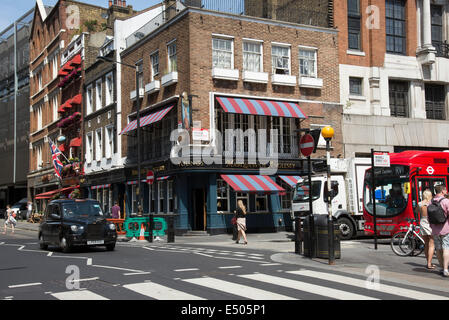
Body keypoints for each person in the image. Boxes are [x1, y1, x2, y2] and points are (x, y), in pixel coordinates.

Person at [429, 184, 449, 277]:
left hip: (435, 229)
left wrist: (431, 226)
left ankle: (441, 267)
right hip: (445, 229)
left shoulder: (431, 201)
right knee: (446, 248)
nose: (446, 192)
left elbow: (429, 217)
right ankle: (445, 269)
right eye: (445, 190)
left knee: (438, 249)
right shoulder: (446, 201)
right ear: (442, 191)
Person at [418, 189, 436, 269]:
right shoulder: (432, 203)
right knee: (432, 244)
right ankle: (429, 263)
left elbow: (417, 212)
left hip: (423, 222)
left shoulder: (420, 204)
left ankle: (428, 262)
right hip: (430, 223)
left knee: (426, 244)